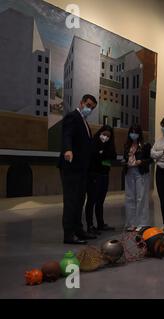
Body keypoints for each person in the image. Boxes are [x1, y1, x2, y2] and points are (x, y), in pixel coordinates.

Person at [58, 94, 97, 245]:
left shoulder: (84, 122)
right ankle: (68, 235)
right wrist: (67, 149)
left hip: (81, 170)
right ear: (81, 102)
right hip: (71, 167)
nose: (89, 109)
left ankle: (78, 230)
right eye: (88, 105)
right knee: (71, 201)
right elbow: (67, 134)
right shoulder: (72, 117)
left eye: (92, 108)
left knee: (80, 200)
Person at [85, 125, 117, 236]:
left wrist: (102, 155)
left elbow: (112, 157)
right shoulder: (93, 143)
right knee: (91, 200)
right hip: (93, 175)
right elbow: (95, 158)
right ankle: (90, 225)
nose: (105, 137)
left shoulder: (109, 145)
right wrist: (103, 156)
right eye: (104, 134)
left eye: (108, 136)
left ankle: (100, 223)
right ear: (100, 132)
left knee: (100, 201)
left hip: (104, 175)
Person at [122, 124, 152, 232]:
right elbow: (125, 157)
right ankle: (131, 223)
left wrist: (141, 161)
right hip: (129, 172)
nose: (133, 134)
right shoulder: (127, 145)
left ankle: (142, 222)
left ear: (139, 134)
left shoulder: (145, 145)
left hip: (141, 173)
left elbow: (150, 159)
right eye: (131, 132)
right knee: (129, 197)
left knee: (141, 197)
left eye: (135, 132)